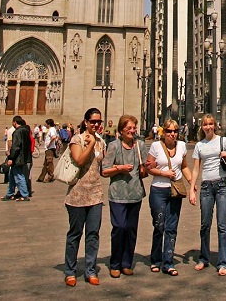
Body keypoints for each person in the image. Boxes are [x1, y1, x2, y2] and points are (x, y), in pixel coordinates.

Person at [62, 108, 106, 287]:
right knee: (75, 234)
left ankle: (90, 270)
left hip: (95, 194)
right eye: (93, 121)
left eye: (98, 121)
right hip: (77, 194)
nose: (96, 124)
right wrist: (90, 144)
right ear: (86, 122)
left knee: (93, 234)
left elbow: (101, 167)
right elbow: (79, 161)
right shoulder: (77, 139)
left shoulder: (102, 142)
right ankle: (70, 271)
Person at [101, 114, 149, 278]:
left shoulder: (140, 146)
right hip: (117, 194)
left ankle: (126, 263)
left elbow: (144, 169)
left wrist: (147, 168)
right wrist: (119, 169)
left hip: (135, 193)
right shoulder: (113, 146)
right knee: (119, 227)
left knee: (131, 229)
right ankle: (115, 263)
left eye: (134, 128)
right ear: (121, 130)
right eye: (129, 128)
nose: (132, 131)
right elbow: (105, 170)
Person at [189, 114, 226, 275]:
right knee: (205, 224)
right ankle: (204, 258)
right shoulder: (199, 145)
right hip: (206, 187)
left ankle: (223, 262)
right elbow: (196, 168)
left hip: (223, 185)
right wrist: (192, 188)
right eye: (205, 124)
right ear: (201, 127)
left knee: (222, 225)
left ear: (214, 125)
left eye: (210, 124)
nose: (208, 127)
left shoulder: (223, 141)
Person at [146, 118, 192, 276]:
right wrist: (163, 173)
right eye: (169, 131)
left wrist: (192, 182)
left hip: (175, 190)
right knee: (159, 225)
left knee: (171, 227)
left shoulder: (182, 146)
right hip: (158, 189)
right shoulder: (155, 146)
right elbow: (148, 168)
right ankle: (155, 260)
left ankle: (168, 262)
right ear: (163, 133)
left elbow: (184, 166)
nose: (172, 134)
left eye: (175, 131)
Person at [2, 115, 32, 201]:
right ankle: (9, 193)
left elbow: (16, 146)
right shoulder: (26, 131)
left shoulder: (17, 132)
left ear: (15, 122)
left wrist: (11, 158)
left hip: (18, 158)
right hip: (23, 156)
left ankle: (24, 194)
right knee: (12, 176)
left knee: (19, 176)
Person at [38, 118, 58, 183]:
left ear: (48, 124)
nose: (45, 125)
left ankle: (50, 176)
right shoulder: (51, 129)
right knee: (46, 163)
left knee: (49, 162)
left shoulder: (52, 129)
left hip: (50, 148)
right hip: (48, 148)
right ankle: (41, 177)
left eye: (46, 123)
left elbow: (54, 137)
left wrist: (49, 144)